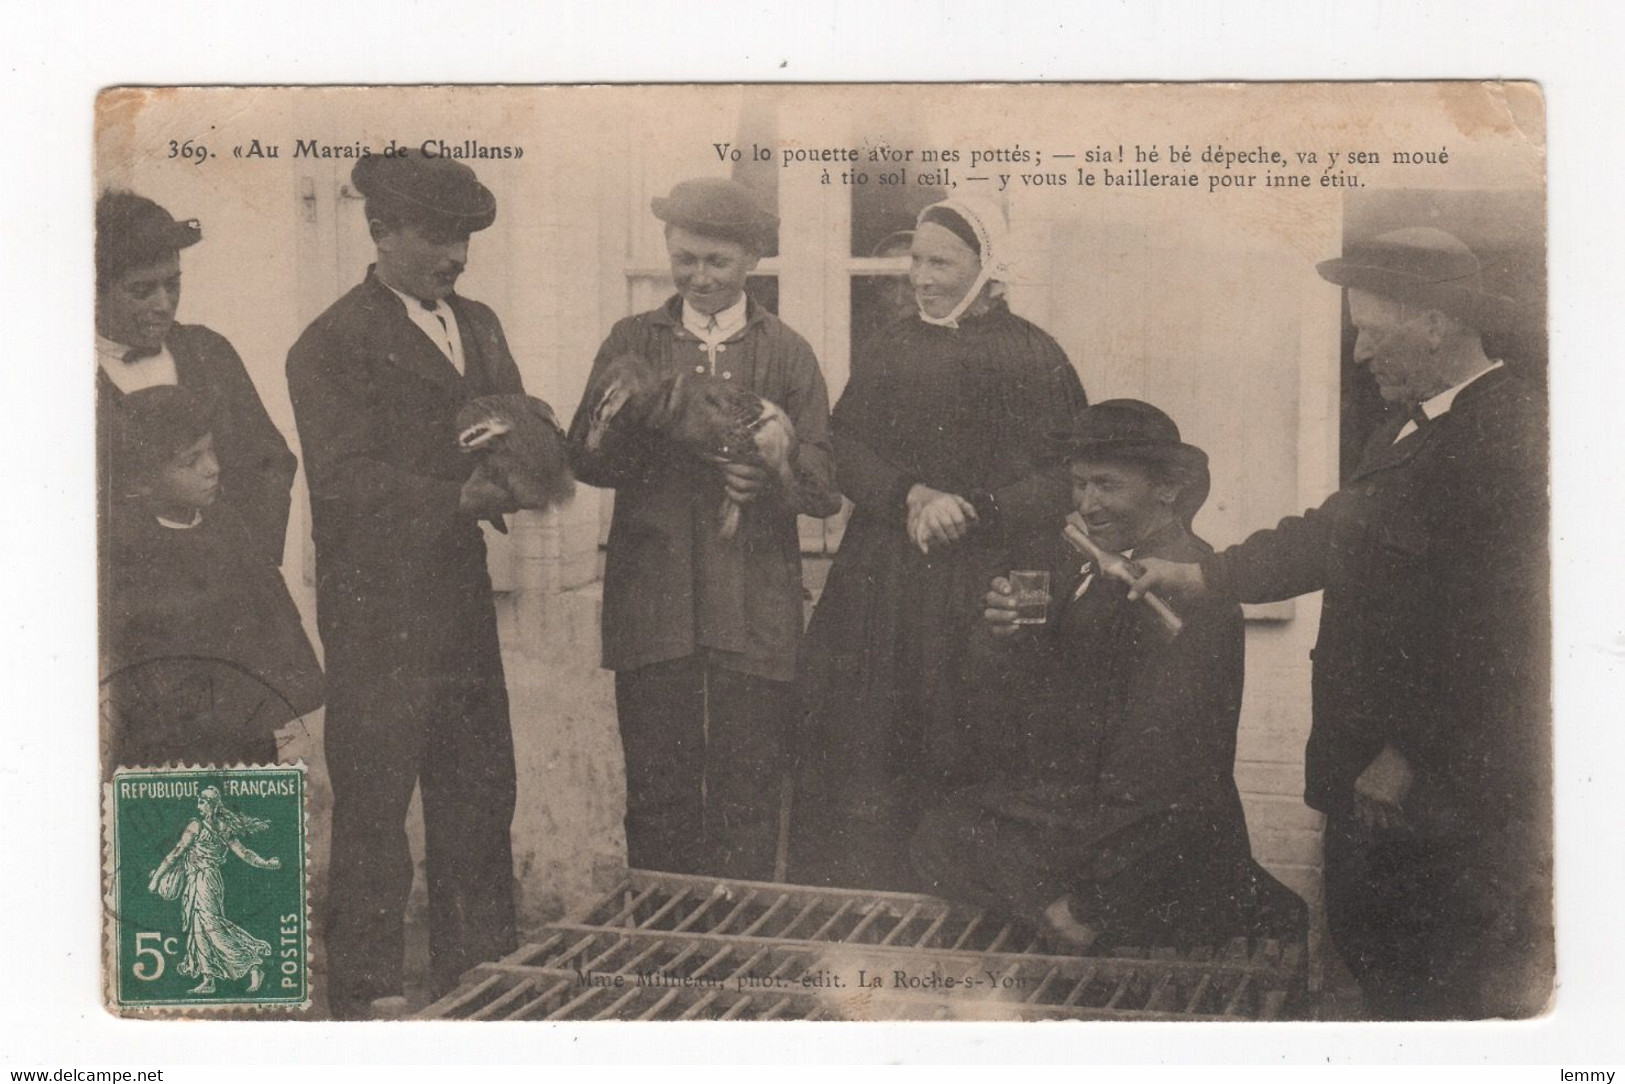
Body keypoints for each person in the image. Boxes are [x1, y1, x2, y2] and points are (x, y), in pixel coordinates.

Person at [1126, 228, 1550, 1018]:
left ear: (1434, 322)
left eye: (1371, 331)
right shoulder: (1402, 429)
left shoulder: (1509, 435)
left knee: (1439, 984)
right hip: (1373, 769)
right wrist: (1202, 576)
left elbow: (1502, 631)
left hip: (1434, 781)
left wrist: (1408, 751)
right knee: (1377, 955)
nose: (1358, 355)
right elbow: (1330, 536)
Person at [911, 400, 1304, 951]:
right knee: (944, 827)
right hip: (1090, 808)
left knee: (948, 840)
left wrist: (1095, 898)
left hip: (1142, 831)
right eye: (1078, 485)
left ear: (1166, 490)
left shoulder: (1177, 584)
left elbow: (1169, 767)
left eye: (1106, 486)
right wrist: (1007, 635)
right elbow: (1032, 701)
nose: (1086, 505)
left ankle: (1081, 916)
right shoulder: (1090, 566)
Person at [286, 152, 525, 1019]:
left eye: (462, 237)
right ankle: (367, 996)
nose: (454, 255)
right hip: (376, 611)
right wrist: (460, 491)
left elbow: (513, 417)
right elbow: (344, 482)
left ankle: (484, 982)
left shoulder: (481, 323)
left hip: (460, 599)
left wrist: (524, 459)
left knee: (478, 789)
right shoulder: (330, 343)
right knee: (377, 803)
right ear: (380, 231)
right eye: (435, 235)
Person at [792, 197, 1088, 890]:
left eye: (940, 262)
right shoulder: (894, 345)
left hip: (982, 589)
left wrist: (980, 511)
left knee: (966, 747)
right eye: (914, 261)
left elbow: (1065, 476)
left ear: (985, 267)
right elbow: (845, 443)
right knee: (866, 745)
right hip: (883, 584)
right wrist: (910, 498)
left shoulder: (1033, 355)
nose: (920, 278)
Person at [566, 178, 839, 882]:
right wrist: (639, 425)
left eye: (717, 261)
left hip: (754, 604)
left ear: (752, 259)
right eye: (684, 259)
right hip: (656, 601)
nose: (699, 276)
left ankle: (739, 957)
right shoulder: (633, 340)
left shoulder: (786, 351)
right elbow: (586, 460)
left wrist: (773, 478)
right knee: (659, 790)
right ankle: (666, 953)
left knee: (748, 789)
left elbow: (824, 488)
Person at [101, 386, 323, 774]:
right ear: (144, 480)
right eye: (191, 461)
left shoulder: (229, 526)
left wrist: (284, 701)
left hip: (244, 728)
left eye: (212, 450)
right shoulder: (126, 548)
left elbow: (276, 617)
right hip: (165, 742)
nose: (212, 467)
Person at [96, 190, 297, 567]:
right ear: (93, 290)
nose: (163, 304)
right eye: (142, 291)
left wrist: (246, 561)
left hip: (223, 576)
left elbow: (269, 462)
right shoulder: (60, 377)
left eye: (172, 284)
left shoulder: (209, 352)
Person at [148, 786, 283, 995]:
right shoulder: (217, 826)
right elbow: (243, 853)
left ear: (211, 805)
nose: (199, 806)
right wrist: (265, 863)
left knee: (211, 927)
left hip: (206, 881)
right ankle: (208, 979)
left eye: (202, 802)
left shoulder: (205, 827)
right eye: (199, 801)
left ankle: (252, 964)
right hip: (198, 881)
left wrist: (156, 878)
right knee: (199, 928)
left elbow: (176, 853)